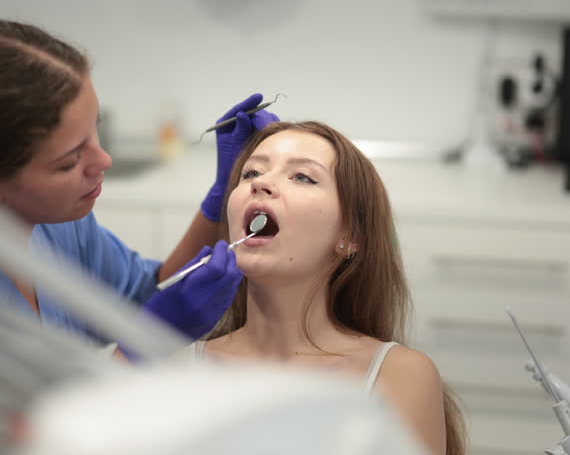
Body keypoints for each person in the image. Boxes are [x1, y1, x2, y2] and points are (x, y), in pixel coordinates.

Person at [0, 18, 278, 454]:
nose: (103, 159)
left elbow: (143, 293)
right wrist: (141, 349)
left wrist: (218, 202)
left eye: (94, 131)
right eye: (69, 161)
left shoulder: (57, 222)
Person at [189, 121, 467, 455]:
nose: (261, 183)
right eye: (250, 173)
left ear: (349, 237)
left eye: (302, 176)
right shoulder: (176, 367)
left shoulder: (399, 375)